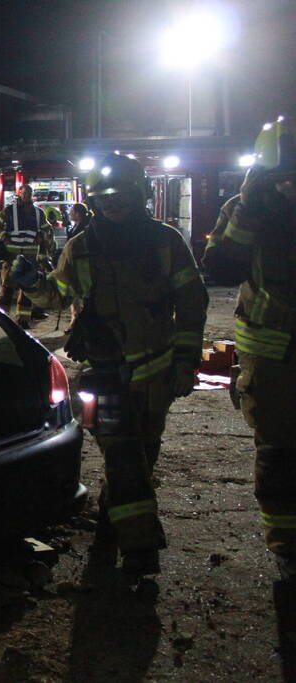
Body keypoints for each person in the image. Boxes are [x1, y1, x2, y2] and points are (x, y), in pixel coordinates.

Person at [11, 153, 208, 579]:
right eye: (104, 198)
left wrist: (186, 360)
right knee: (123, 458)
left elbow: (192, 301)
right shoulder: (81, 247)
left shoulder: (166, 242)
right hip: (104, 372)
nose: (112, 205)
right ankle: (141, 551)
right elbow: (58, 295)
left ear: (140, 196)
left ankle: (108, 531)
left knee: (142, 457)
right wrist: (31, 283)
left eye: (121, 196)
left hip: (157, 372)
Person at [203, 116, 296, 587]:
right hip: (273, 361)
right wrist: (247, 210)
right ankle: (288, 547)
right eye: (283, 180)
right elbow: (221, 266)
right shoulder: (246, 210)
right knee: (279, 454)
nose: (290, 189)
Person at [0, 185, 50, 328]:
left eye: (29, 193)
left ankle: (23, 320)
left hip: (31, 256)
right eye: (24, 193)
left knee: (27, 289)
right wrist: (4, 237)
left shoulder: (39, 212)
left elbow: (47, 229)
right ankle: (1, 320)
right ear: (19, 194)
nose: (27, 195)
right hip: (12, 256)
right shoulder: (9, 210)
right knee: (7, 288)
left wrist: (41, 235)